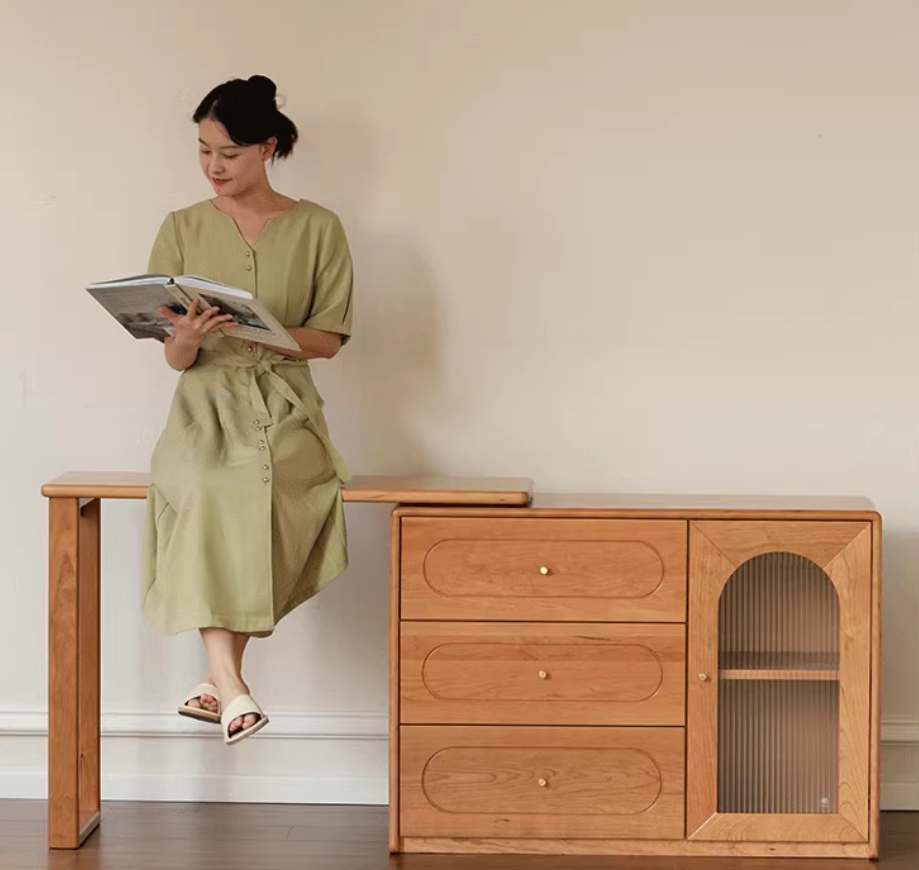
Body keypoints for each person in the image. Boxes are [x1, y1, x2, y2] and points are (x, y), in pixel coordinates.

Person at [143, 75, 354, 745]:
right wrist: (188, 338)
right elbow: (175, 360)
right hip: (203, 406)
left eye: (228, 154)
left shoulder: (319, 228)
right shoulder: (179, 229)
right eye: (203, 151)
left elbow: (329, 339)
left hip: (285, 407)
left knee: (266, 491)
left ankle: (215, 683)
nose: (213, 168)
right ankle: (230, 685)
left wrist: (256, 329)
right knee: (208, 487)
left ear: (267, 147)